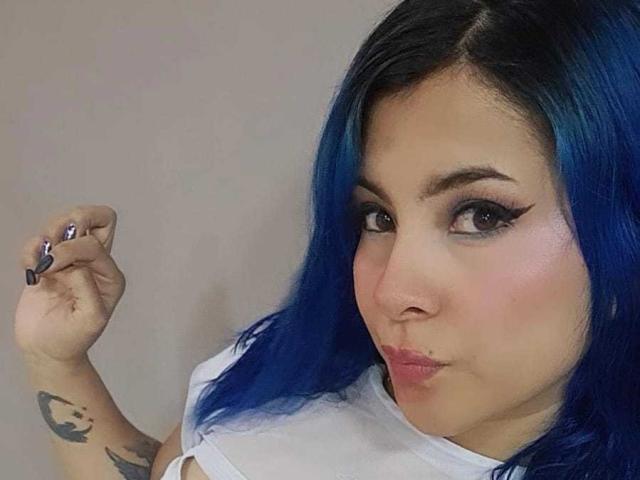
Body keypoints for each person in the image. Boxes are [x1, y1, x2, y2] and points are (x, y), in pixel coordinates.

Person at [15, 0, 640, 478]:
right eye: (377, 217)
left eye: (479, 216)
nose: (391, 291)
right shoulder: (271, 372)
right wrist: (57, 360)